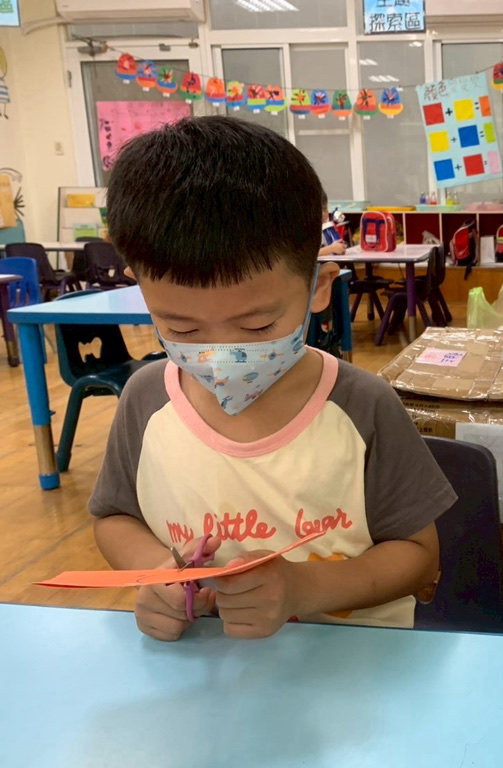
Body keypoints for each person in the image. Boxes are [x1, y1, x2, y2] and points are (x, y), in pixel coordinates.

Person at [90, 116, 456, 641]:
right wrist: (158, 577)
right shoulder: (146, 401)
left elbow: (419, 558)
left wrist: (303, 589)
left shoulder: (362, 408)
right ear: (141, 291)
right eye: (182, 328)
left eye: (257, 326)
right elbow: (114, 519)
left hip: (350, 665)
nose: (221, 355)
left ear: (319, 287)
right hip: (206, 664)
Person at [319, 192, 347, 257]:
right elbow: (306, 254)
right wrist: (331, 249)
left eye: (325, 209)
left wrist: (339, 247)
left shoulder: (325, 229)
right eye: (319, 210)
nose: (323, 214)